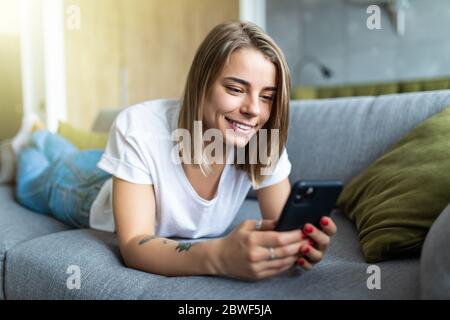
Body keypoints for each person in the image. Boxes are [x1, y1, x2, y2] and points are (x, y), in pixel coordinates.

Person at [0, 21, 337, 281]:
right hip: (89, 190)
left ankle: (44, 135)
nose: (253, 109)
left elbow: (282, 227)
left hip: (130, 176)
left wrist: (299, 245)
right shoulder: (139, 125)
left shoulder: (261, 137)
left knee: (67, 152)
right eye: (236, 88)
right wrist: (218, 257)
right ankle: (32, 136)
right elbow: (135, 244)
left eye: (266, 96)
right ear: (201, 83)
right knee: (35, 174)